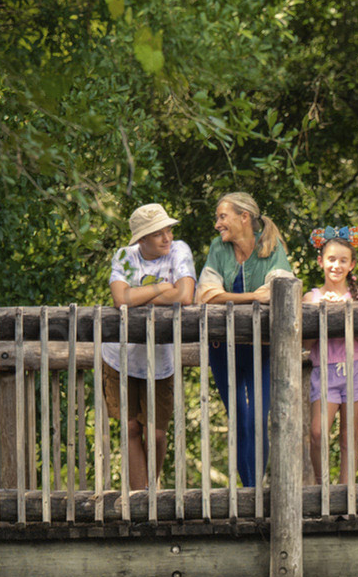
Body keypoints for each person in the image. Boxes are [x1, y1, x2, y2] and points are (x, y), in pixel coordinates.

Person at [197, 192, 296, 487]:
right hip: (222, 350)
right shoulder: (219, 248)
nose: (217, 224)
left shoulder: (271, 247)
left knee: (255, 418)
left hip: (262, 350)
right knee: (239, 420)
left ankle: (255, 488)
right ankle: (249, 490)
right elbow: (204, 295)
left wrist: (226, 297)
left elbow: (282, 290)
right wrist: (252, 296)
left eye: (222, 216)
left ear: (244, 217)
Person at [103, 204, 195, 492]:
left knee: (155, 432)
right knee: (131, 427)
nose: (167, 237)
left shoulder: (180, 250)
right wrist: (160, 289)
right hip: (121, 356)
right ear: (141, 239)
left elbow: (186, 295)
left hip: (161, 359)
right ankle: (141, 498)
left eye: (168, 230)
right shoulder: (125, 257)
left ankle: (150, 489)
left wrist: (137, 296)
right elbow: (120, 299)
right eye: (157, 234)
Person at [302, 225, 358, 486]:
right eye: (331, 259)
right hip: (325, 371)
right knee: (317, 432)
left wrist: (348, 311)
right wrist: (323, 314)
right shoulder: (311, 297)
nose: (336, 265)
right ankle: (323, 487)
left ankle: (346, 492)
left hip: (356, 368)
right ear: (321, 261)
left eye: (343, 260)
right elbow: (306, 342)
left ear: (352, 265)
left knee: (348, 436)